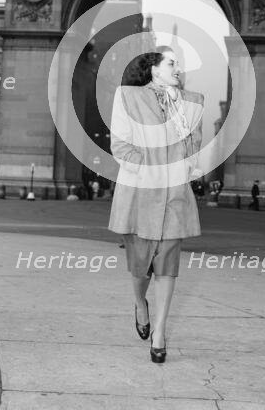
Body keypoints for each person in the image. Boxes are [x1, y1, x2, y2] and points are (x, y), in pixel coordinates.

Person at [108, 46, 204, 364]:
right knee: (140, 268)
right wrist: (149, 166)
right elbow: (120, 144)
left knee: (167, 267)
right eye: (171, 63)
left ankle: (160, 333)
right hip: (140, 194)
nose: (178, 68)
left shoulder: (193, 104)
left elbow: (194, 146)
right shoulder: (127, 97)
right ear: (154, 69)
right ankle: (139, 303)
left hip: (175, 194)